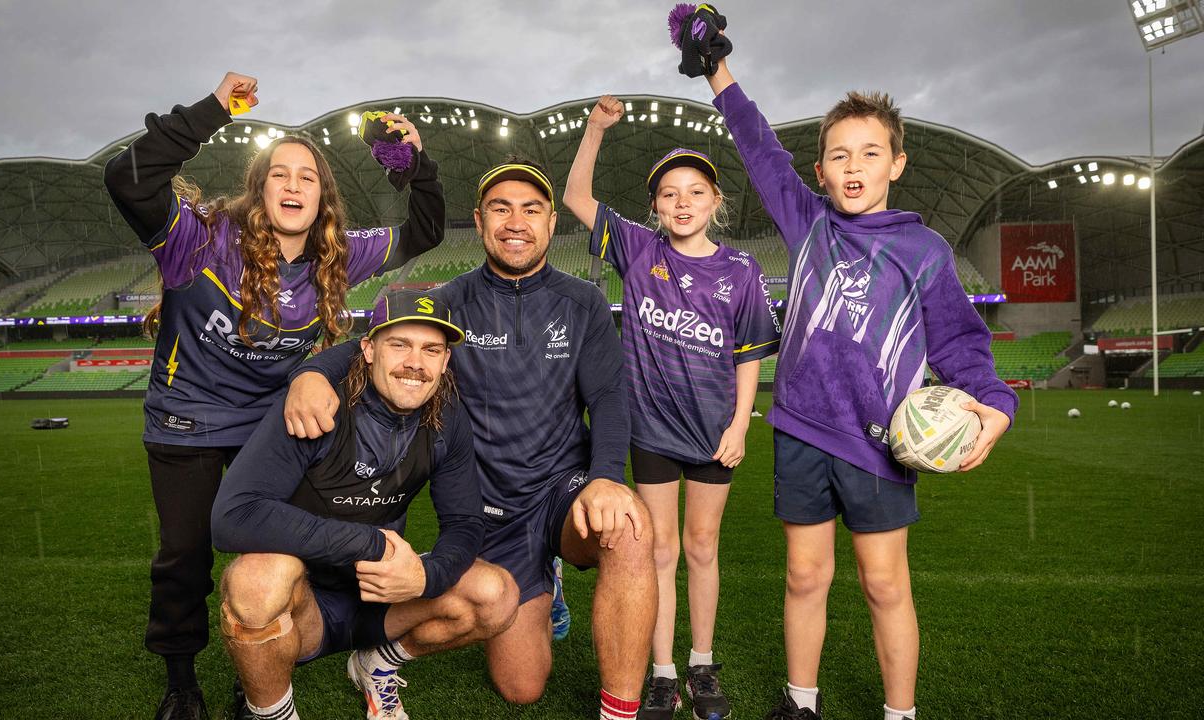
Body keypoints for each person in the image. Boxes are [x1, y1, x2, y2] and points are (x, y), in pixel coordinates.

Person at [679, 11, 1017, 720]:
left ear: (896, 164)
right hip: (803, 428)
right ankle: (801, 701)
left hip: (878, 442)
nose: (853, 166)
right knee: (804, 575)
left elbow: (959, 345)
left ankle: (901, 712)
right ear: (821, 170)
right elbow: (760, 149)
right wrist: (718, 72)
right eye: (839, 154)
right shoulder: (809, 226)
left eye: (869, 153)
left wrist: (996, 405)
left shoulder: (924, 251)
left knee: (885, 584)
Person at [102, 72, 446, 720]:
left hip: (276, 424)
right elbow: (127, 178)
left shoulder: (339, 255)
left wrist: (414, 164)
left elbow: (424, 229)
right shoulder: (198, 240)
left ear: (324, 197)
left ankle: (253, 668)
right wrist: (213, 109)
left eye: (308, 177)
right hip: (188, 419)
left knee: (276, 548)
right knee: (185, 555)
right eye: (280, 174)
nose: (293, 185)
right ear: (260, 188)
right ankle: (181, 683)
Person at [285, 159, 658, 720]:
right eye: (501, 209)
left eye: (531, 210)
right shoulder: (450, 301)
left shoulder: (582, 302)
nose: (516, 221)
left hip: (563, 491)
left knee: (629, 527)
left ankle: (620, 713)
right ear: (480, 222)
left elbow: (608, 399)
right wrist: (311, 374)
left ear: (552, 223)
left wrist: (606, 478)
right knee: (522, 687)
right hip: (488, 511)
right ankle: (384, 653)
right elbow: (376, 343)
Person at [563, 95, 781, 720]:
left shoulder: (741, 270)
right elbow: (578, 195)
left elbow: (747, 354)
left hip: (716, 432)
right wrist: (595, 130)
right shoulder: (637, 249)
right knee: (657, 552)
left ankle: (702, 666)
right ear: (655, 206)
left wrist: (740, 424)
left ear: (716, 202)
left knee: (703, 547)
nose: (682, 202)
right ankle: (661, 672)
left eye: (695, 191)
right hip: (652, 430)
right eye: (669, 194)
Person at [211, 290, 517, 720]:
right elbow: (232, 517)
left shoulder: (448, 416)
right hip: (304, 603)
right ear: (369, 349)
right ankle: (272, 713)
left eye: (432, 350)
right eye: (400, 345)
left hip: (380, 598)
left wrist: (425, 578)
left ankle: (378, 664)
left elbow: (465, 523)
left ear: (446, 361)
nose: (416, 363)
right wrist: (371, 545)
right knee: (256, 580)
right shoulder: (318, 404)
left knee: (496, 594)